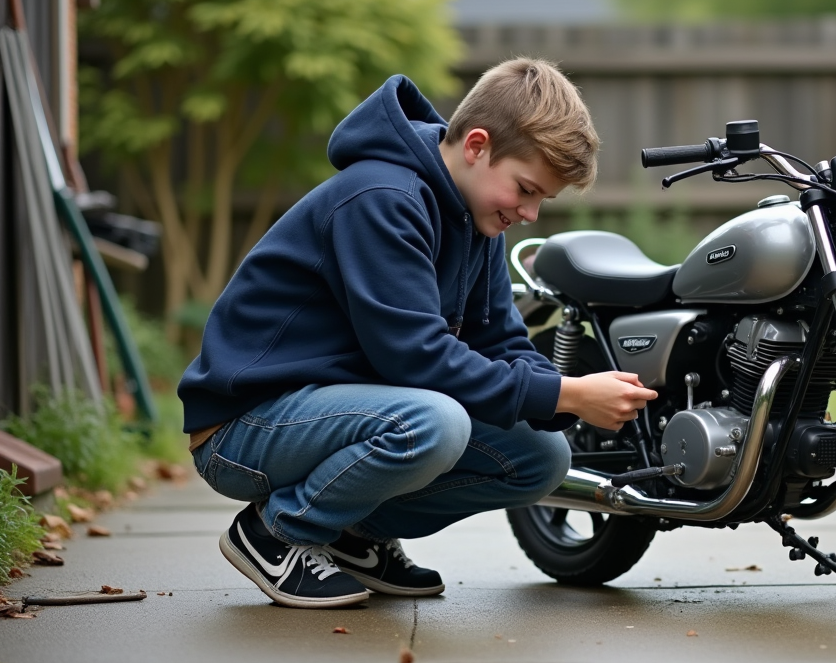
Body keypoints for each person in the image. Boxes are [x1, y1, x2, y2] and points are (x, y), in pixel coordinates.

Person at [179, 59, 657, 609]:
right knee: (434, 423)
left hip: (334, 415)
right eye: (526, 189)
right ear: (476, 146)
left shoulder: (474, 219)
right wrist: (568, 394)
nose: (529, 212)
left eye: (541, 200)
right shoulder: (381, 197)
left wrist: (572, 396)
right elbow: (415, 358)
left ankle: (354, 535)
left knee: (541, 457)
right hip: (244, 428)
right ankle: (277, 533)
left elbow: (501, 342)